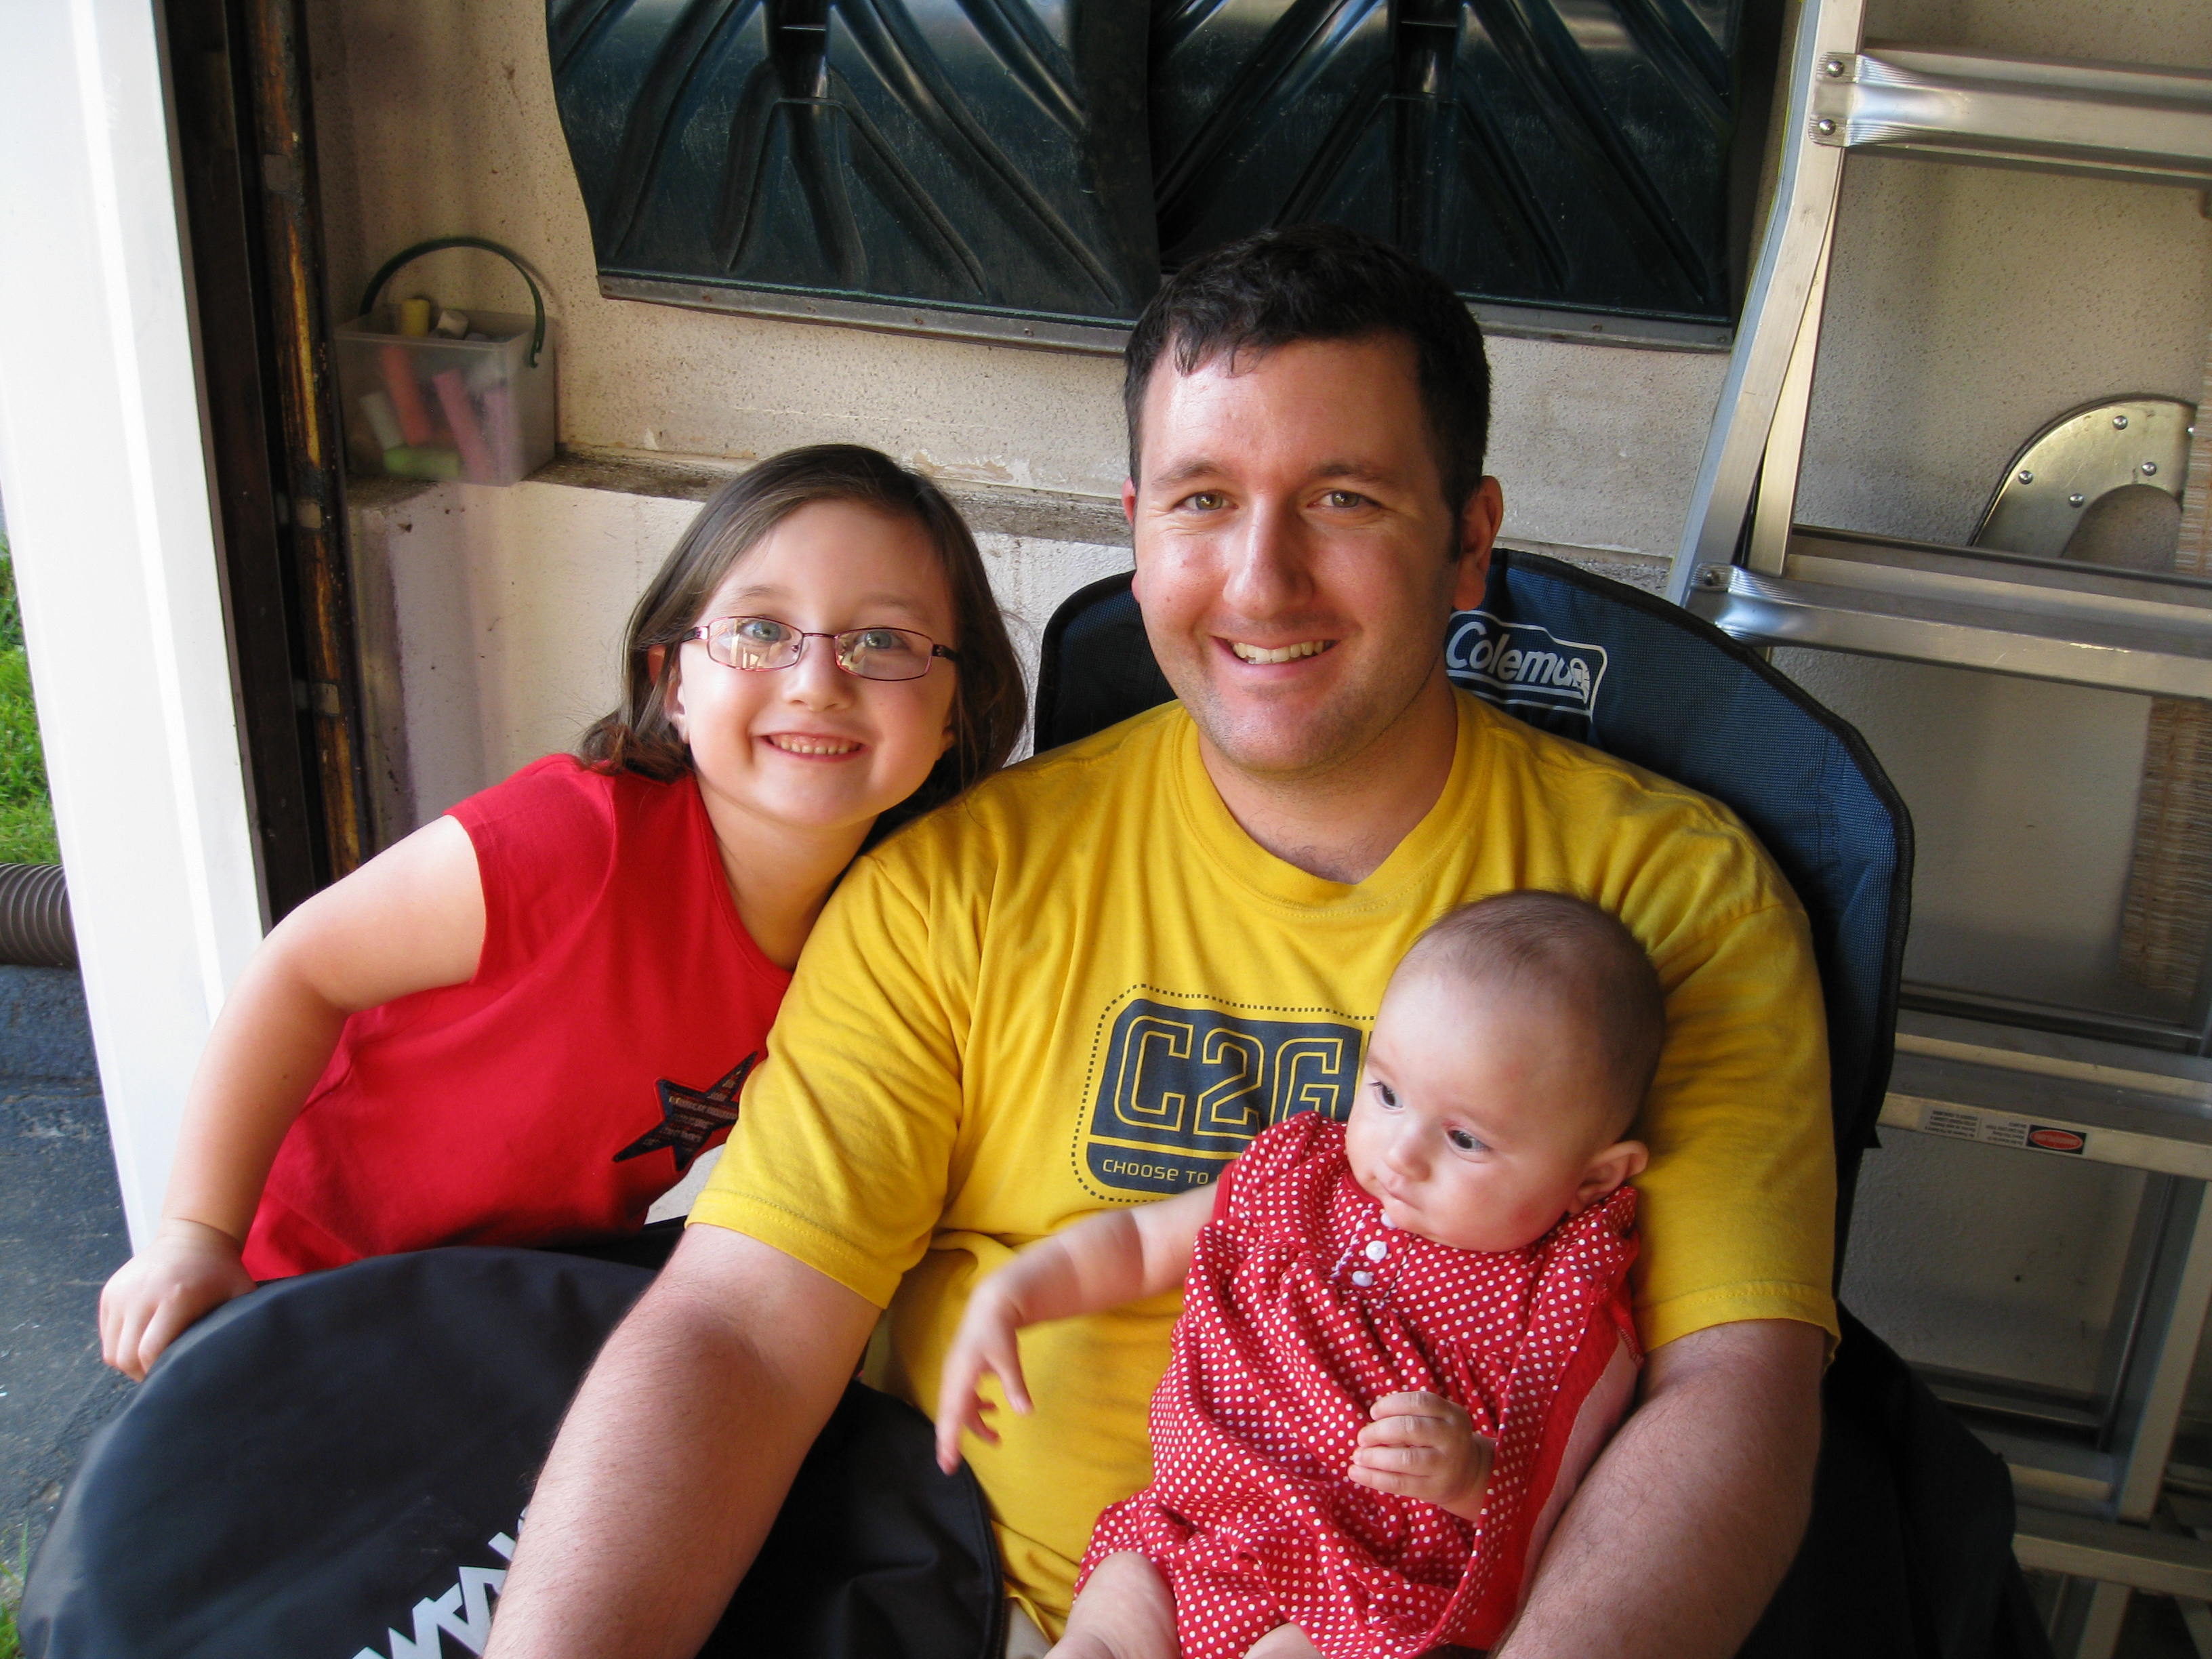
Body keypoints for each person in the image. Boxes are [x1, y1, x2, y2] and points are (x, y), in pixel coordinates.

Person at [485, 226, 1833, 1659]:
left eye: (1345, 500)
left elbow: (1728, 1394)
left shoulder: (1670, 901)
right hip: (983, 1608)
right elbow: (744, 1329)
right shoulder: (954, 888)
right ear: (1136, 531)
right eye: (1202, 501)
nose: (1261, 580)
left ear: (1467, 541)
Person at [96, 443, 1024, 1381]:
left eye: (885, 641)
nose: (817, 681)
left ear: (957, 709)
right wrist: (195, 1233)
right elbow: (301, 967)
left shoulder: (896, 931)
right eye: (759, 629)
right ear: (673, 682)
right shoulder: (573, 843)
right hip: (296, 1286)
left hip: (512, 1322)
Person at [935, 893, 1660, 1659]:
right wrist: (1015, 1294)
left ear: (1592, 1178)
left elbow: (1569, 1497)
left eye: (1465, 1140)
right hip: (1193, 1537)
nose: (1400, 1155)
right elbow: (1141, 1244)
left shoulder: (1557, 1292)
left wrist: (1473, 1473)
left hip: (1358, 1593)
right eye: (1387, 1094)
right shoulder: (1301, 1174)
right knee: (1114, 1607)